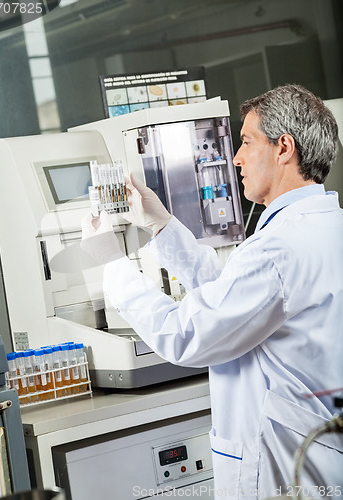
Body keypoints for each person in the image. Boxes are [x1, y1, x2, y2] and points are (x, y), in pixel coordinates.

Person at [81, 84, 343, 499]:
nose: (235, 158)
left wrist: (111, 266)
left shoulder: (278, 249)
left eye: (246, 141)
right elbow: (232, 295)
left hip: (282, 470)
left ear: (283, 148)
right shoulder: (326, 227)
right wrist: (163, 225)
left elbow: (185, 335)